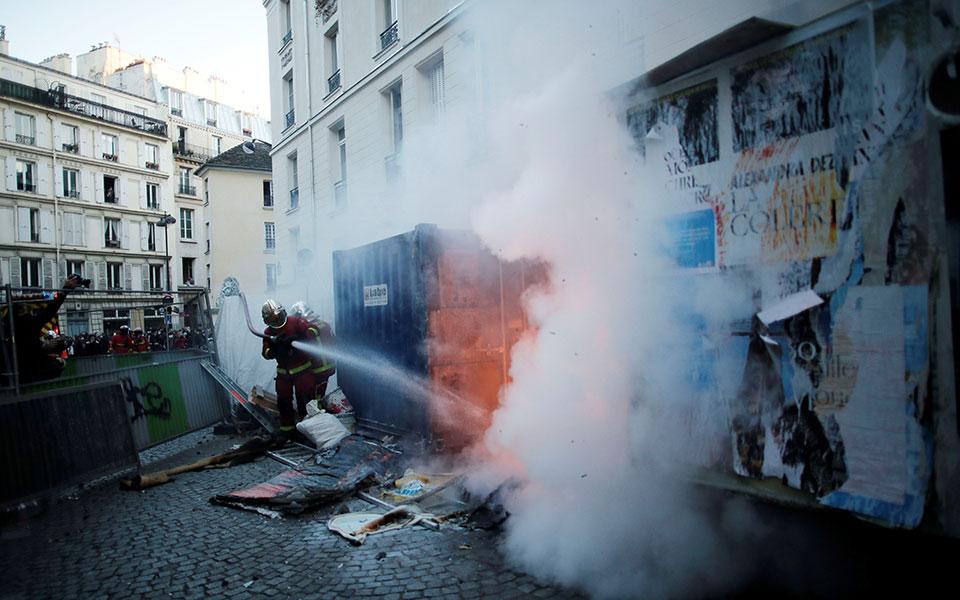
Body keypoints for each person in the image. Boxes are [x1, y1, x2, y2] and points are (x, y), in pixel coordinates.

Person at [261, 299, 332, 439]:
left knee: (306, 402)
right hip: (283, 375)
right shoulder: (268, 332)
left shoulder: (295, 322)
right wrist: (276, 349)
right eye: (273, 319)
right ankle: (287, 431)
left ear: (284, 313)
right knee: (283, 403)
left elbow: (313, 329)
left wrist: (299, 337)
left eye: (279, 316)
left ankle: (308, 432)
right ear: (266, 320)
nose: (277, 321)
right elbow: (265, 353)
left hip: (303, 372)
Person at [9, 275, 80, 384]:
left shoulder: (9, 324)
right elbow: (49, 311)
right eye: (27, 312)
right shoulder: (28, 322)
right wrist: (65, 290)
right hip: (29, 368)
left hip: (14, 367)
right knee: (58, 364)